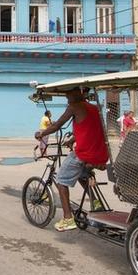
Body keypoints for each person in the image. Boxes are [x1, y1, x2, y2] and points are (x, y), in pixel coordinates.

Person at [35, 87, 109, 232]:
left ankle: (68, 218)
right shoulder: (93, 108)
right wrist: (73, 139)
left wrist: (41, 133)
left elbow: (57, 125)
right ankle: (96, 203)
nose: (67, 98)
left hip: (85, 153)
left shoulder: (74, 106)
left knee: (61, 180)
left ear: (75, 94)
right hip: (100, 153)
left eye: (68, 95)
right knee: (82, 175)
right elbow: (92, 128)